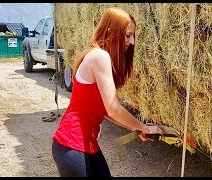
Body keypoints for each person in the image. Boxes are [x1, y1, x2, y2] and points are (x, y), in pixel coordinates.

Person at [51, 7, 163, 177]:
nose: (132, 41)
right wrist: (142, 126)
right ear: (111, 31)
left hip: (87, 145)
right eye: (127, 35)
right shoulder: (99, 56)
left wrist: (139, 129)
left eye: (133, 36)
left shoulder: (99, 56)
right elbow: (114, 109)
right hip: (71, 144)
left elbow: (106, 111)